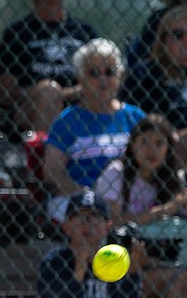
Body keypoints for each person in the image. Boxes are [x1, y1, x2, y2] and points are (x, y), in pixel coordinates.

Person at [94, 115, 187, 298]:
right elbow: (115, 223)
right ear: (132, 145)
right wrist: (165, 210)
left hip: (159, 266)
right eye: (144, 142)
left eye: (159, 143)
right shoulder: (116, 173)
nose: (151, 150)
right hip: (117, 269)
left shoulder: (175, 180)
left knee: (183, 281)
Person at [0, 0, 98, 139]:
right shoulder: (17, 33)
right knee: (48, 92)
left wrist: (61, 94)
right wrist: (48, 93)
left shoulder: (84, 31)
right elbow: (6, 94)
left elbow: (98, 81)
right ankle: (47, 163)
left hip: (79, 105)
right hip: (31, 108)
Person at [42, 38, 145, 223]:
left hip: (130, 198)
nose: (103, 79)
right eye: (94, 73)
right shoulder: (67, 120)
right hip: (82, 201)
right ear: (80, 78)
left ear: (120, 75)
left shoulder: (135, 117)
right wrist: (90, 197)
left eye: (110, 72)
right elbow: (52, 172)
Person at [120, 4, 187, 148]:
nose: (186, 41)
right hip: (161, 151)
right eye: (178, 35)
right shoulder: (144, 75)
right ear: (163, 40)